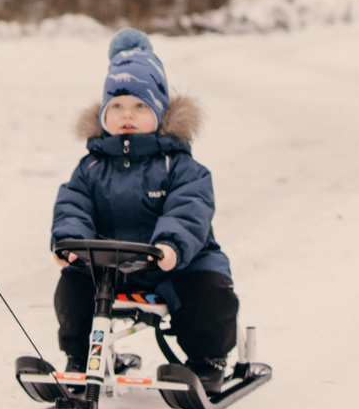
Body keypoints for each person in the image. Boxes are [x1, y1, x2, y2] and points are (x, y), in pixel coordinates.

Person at [48, 28, 239, 378]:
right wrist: (68, 239)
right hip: (110, 269)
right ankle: (82, 357)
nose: (127, 115)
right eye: (116, 106)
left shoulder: (180, 166)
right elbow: (73, 204)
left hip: (176, 265)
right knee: (74, 285)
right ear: (103, 114)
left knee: (207, 292)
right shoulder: (91, 167)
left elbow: (189, 209)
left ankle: (207, 359)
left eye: (140, 106)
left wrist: (170, 246)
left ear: (161, 112)